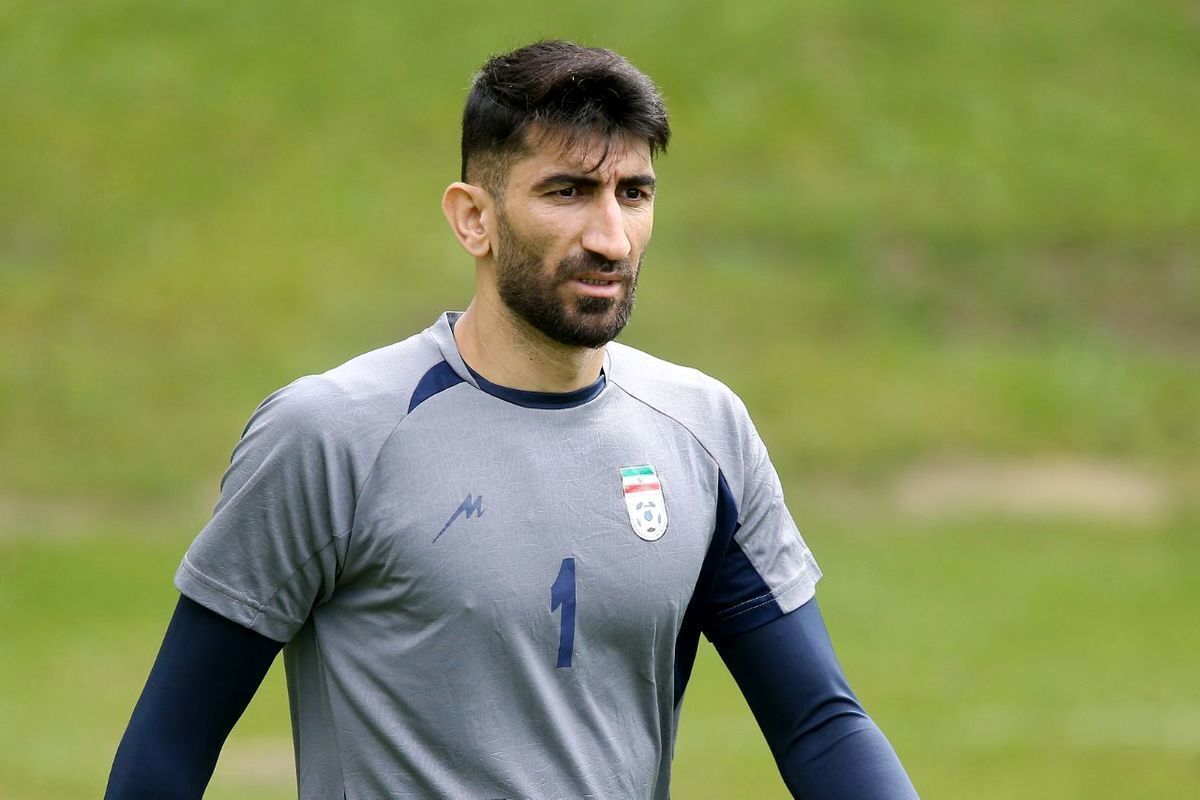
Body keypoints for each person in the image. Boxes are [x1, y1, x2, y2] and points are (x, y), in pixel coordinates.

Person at [106, 40, 918, 800]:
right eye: (567, 192)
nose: (612, 239)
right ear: (474, 218)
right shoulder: (333, 434)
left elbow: (819, 726)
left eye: (633, 194)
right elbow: (170, 746)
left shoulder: (704, 432)